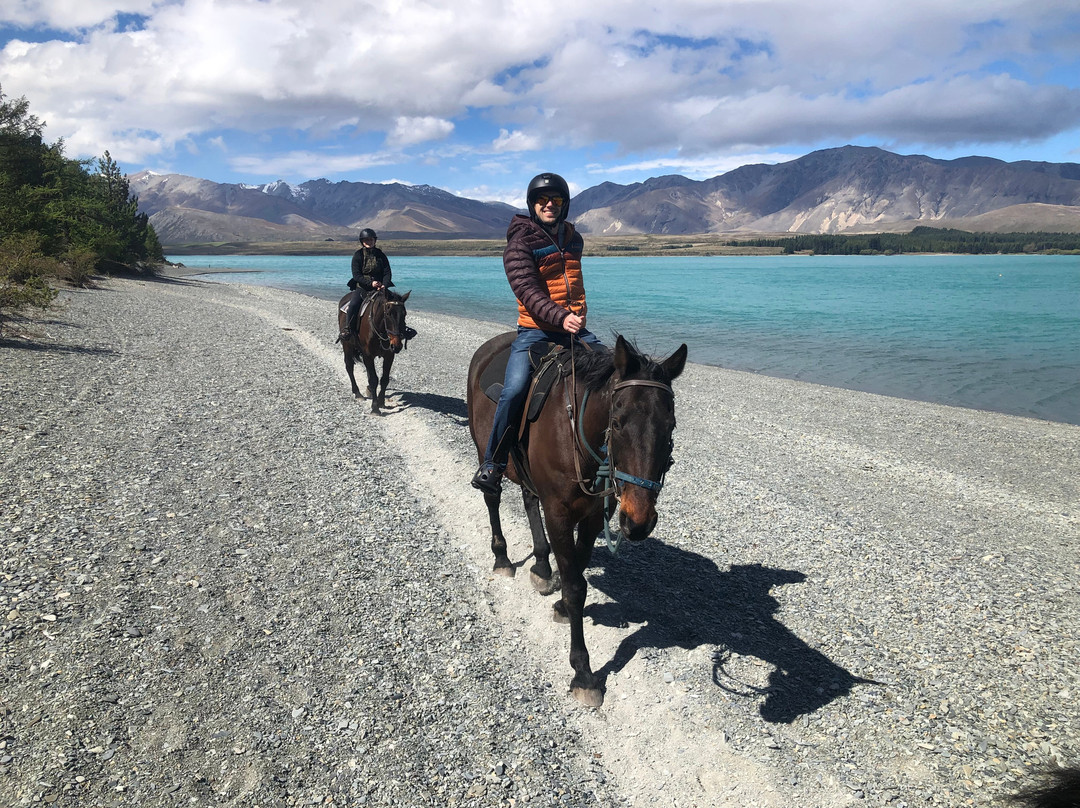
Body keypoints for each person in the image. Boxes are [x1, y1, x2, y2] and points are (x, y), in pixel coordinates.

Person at [471, 172, 604, 495]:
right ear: (532, 205)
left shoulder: (574, 239)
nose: (549, 205)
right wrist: (561, 318)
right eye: (542, 200)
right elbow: (528, 292)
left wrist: (579, 312)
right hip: (535, 331)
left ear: (565, 205)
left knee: (615, 374)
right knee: (514, 389)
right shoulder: (519, 244)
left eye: (555, 200)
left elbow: (573, 284)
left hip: (574, 329)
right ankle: (493, 463)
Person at [340, 228, 393, 341]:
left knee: (396, 304)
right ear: (362, 242)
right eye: (366, 240)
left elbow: (387, 272)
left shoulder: (381, 255)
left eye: (371, 239)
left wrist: (385, 284)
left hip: (380, 287)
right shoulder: (358, 255)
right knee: (353, 305)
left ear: (374, 241)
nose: (369, 242)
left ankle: (400, 330)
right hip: (363, 288)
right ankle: (348, 329)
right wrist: (370, 283)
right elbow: (356, 275)